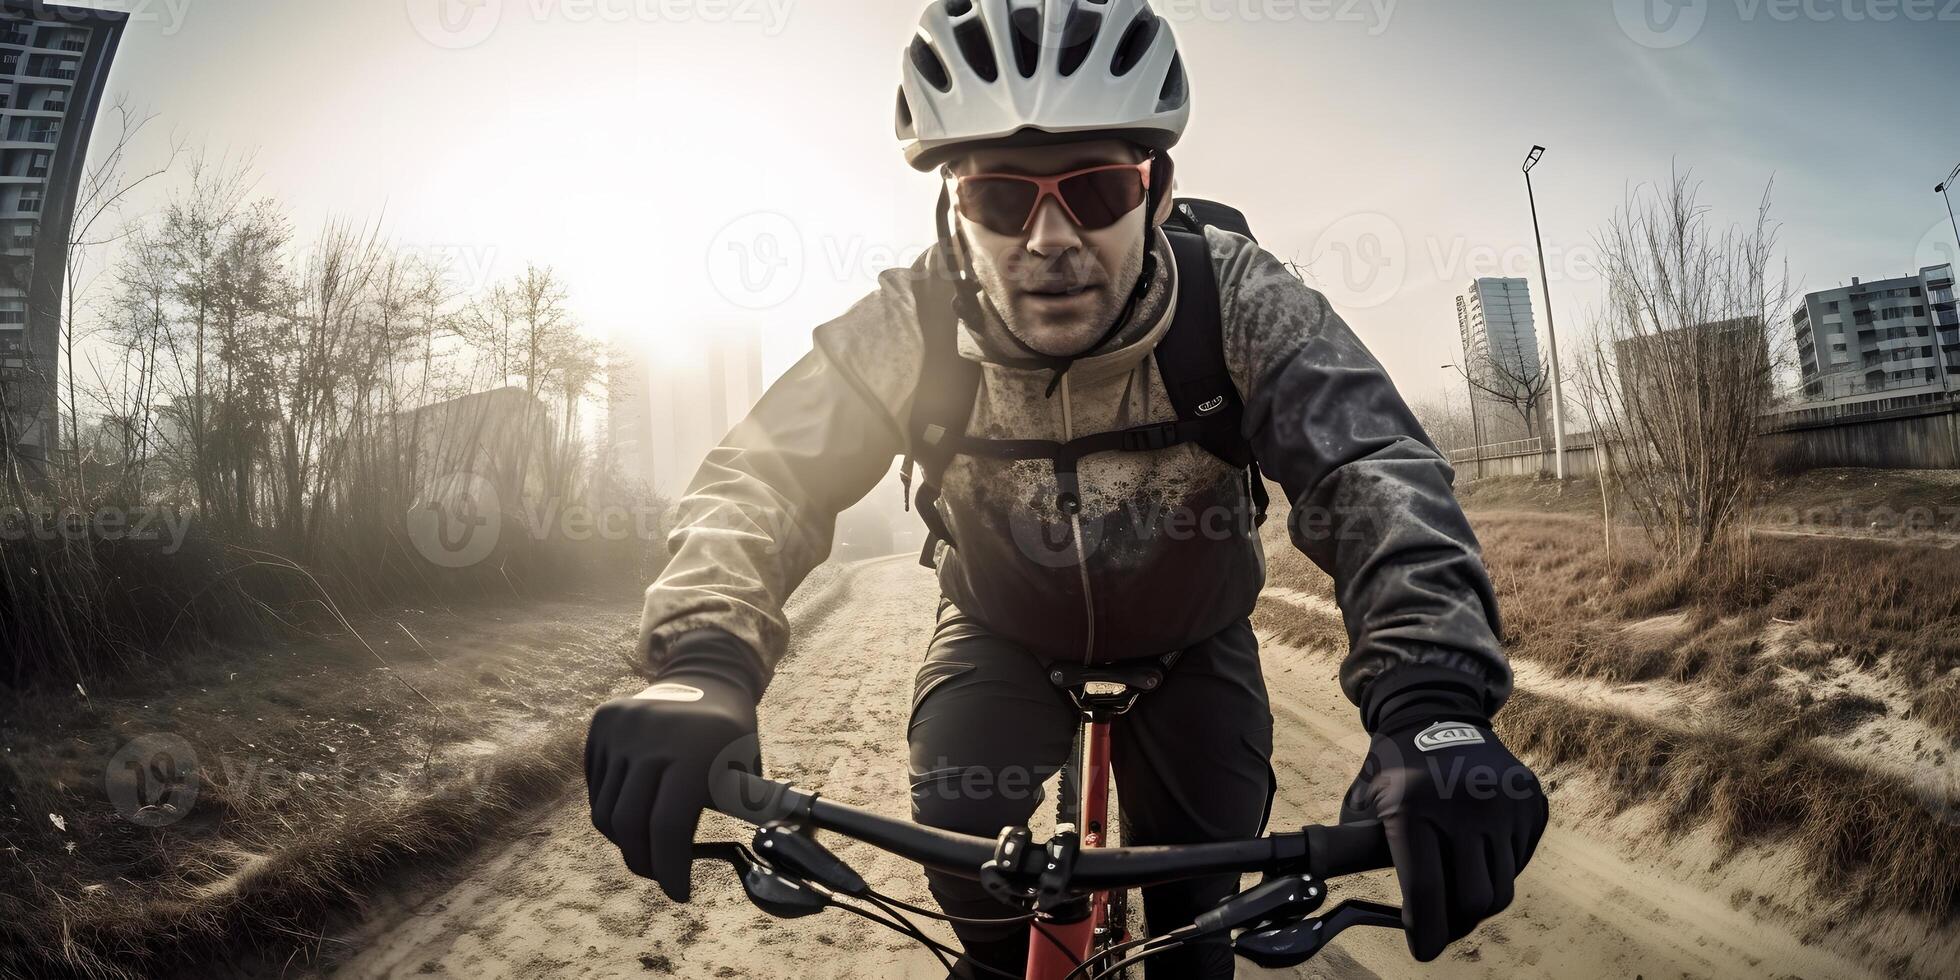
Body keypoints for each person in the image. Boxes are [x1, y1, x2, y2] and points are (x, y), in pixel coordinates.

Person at [585, 1, 1548, 976]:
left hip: (1192, 633)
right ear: (953, 207)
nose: (1047, 239)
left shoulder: (1240, 301)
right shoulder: (913, 320)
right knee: (962, 827)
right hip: (1001, 625)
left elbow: (1373, 469)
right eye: (1000, 197)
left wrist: (1433, 700)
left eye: (1094, 190)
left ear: (1157, 190)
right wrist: (700, 660)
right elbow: (764, 476)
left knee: (1193, 912)